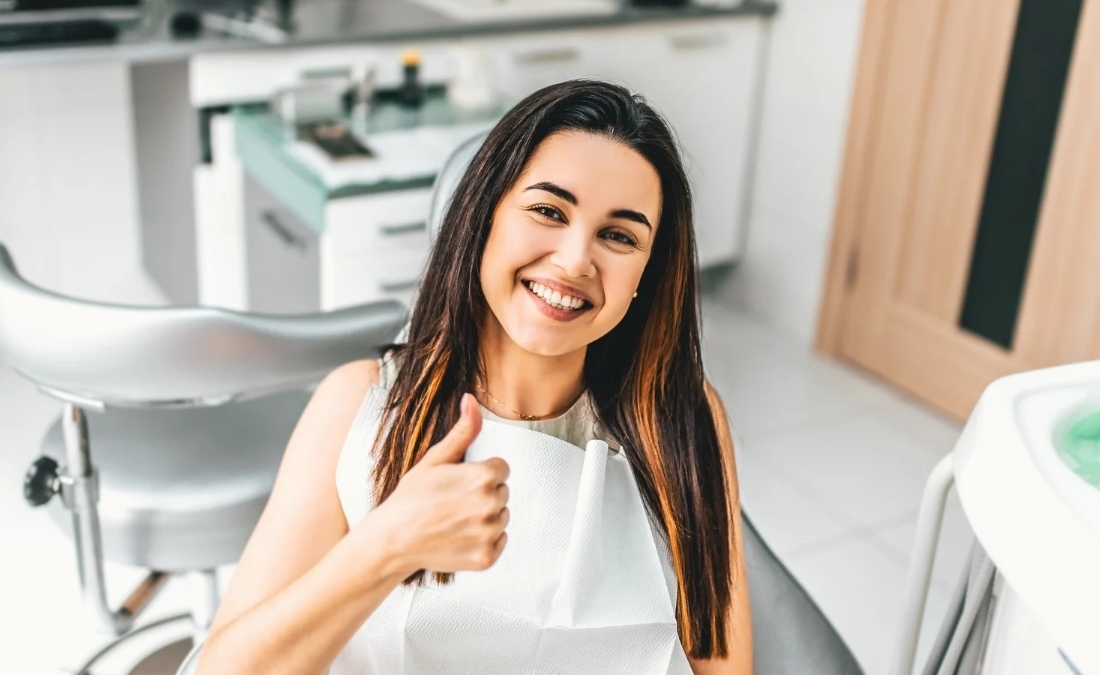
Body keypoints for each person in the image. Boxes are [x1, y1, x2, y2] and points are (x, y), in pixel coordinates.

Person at [197, 79, 752, 674]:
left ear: (646, 273)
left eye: (619, 235)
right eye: (547, 210)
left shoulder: (679, 416)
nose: (574, 260)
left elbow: (717, 662)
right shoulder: (359, 405)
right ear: (483, 216)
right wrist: (385, 546)